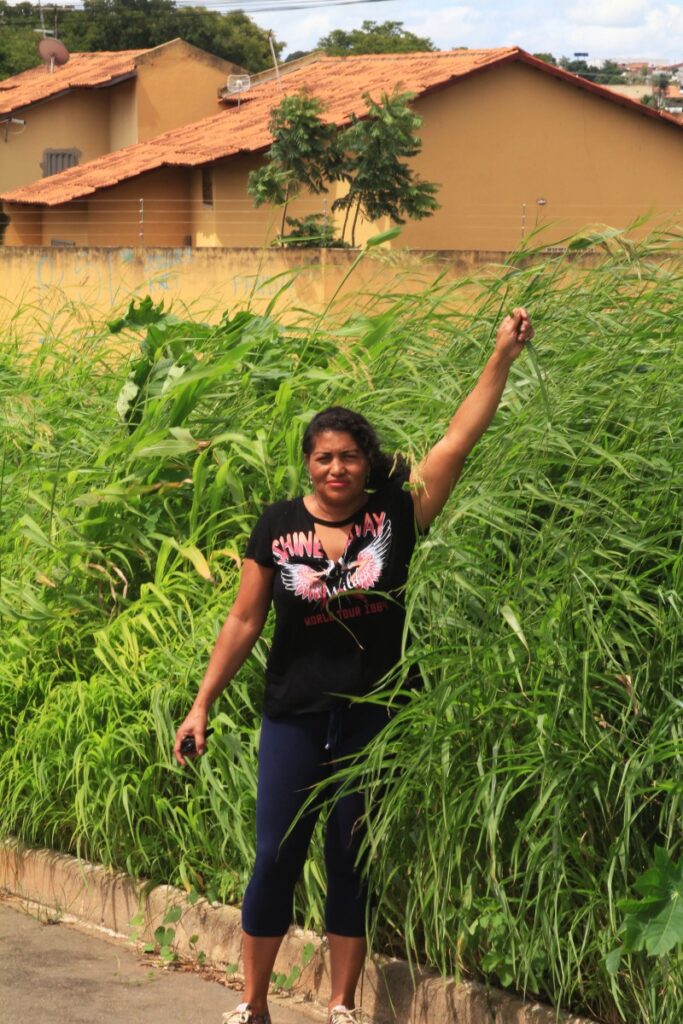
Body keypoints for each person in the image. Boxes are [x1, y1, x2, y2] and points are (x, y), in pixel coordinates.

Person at [174, 308, 535, 1024]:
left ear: (366, 461)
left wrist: (500, 354)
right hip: (294, 711)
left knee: (350, 854)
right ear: (307, 463)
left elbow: (460, 438)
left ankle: (340, 1004)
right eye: (322, 457)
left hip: (376, 713)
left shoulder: (399, 514)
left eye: (347, 456)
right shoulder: (277, 525)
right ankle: (252, 1004)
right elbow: (244, 620)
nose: (335, 468)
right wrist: (202, 703)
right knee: (275, 851)